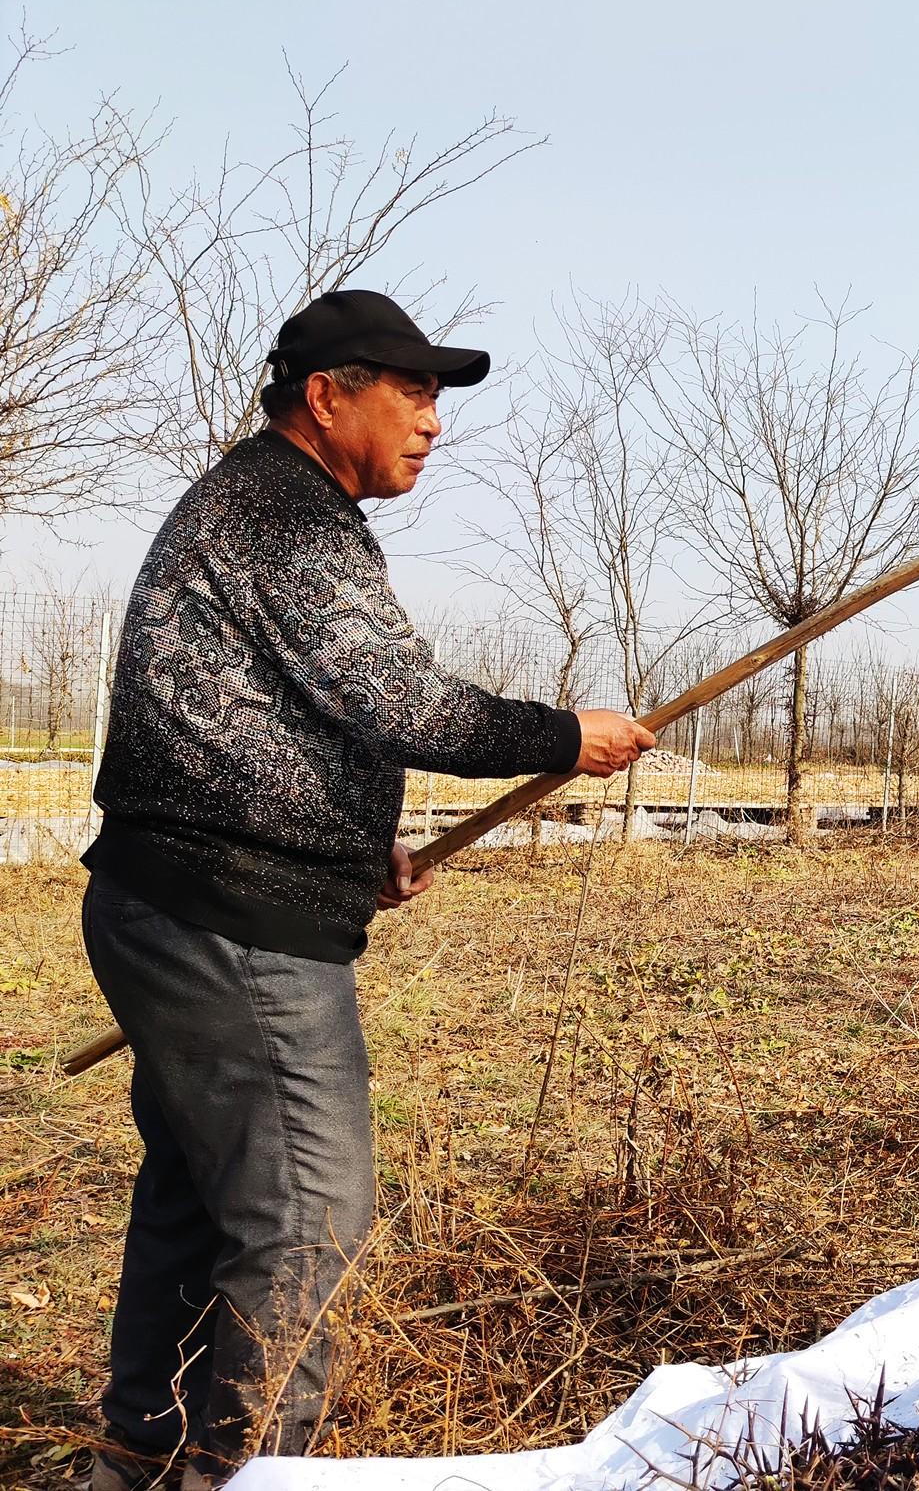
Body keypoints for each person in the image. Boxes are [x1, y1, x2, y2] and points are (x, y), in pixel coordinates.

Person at [80, 291, 656, 1489]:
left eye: (438, 397)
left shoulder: (262, 508)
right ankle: (235, 1477)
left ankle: (140, 1459)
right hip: (229, 919)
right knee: (305, 1218)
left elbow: (264, 719)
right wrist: (564, 732)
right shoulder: (282, 514)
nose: (433, 422)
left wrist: (345, 844)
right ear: (327, 394)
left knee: (201, 1201)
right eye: (411, 391)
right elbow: (397, 701)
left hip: (187, 891)